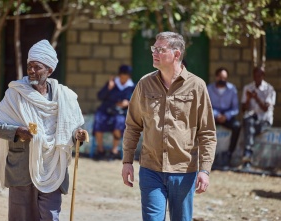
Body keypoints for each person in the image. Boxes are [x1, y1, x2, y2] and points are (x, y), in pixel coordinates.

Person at [0, 39, 87, 221]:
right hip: (22, 168)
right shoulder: (16, 93)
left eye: (37, 67)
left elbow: (71, 128)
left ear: (49, 70)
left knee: (50, 216)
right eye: (29, 66)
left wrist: (77, 134)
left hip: (54, 166)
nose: (32, 71)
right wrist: (17, 131)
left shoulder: (64, 96)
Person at [121, 32, 217, 221]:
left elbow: (207, 132)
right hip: (150, 170)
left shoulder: (197, 86)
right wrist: (127, 162)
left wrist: (204, 170)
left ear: (176, 54)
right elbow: (133, 125)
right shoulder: (144, 84)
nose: (154, 53)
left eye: (160, 49)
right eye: (153, 48)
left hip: (184, 171)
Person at [93, 65, 135, 160]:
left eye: (126, 77)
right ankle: (100, 149)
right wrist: (108, 88)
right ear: (119, 75)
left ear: (129, 77)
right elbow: (100, 96)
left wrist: (128, 103)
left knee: (119, 121)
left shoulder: (132, 86)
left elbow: (136, 101)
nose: (123, 79)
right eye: (122, 76)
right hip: (106, 109)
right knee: (99, 118)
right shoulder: (112, 83)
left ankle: (114, 150)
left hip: (120, 112)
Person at [241, 66, 276, 169]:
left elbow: (265, 109)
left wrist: (256, 98)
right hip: (252, 118)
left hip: (265, 119)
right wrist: (248, 99)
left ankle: (247, 155)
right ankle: (247, 157)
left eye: (259, 75)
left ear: (263, 76)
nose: (257, 77)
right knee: (248, 122)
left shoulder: (270, 89)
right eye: (255, 75)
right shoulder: (248, 88)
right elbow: (244, 109)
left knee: (249, 130)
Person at [207, 67, 240, 169]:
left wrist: (226, 116)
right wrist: (216, 115)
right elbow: (206, 106)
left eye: (225, 78)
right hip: (213, 116)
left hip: (227, 116)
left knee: (237, 126)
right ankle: (206, 156)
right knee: (201, 126)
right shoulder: (209, 88)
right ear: (216, 77)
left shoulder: (232, 89)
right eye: (221, 77)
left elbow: (235, 109)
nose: (223, 80)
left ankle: (229, 154)